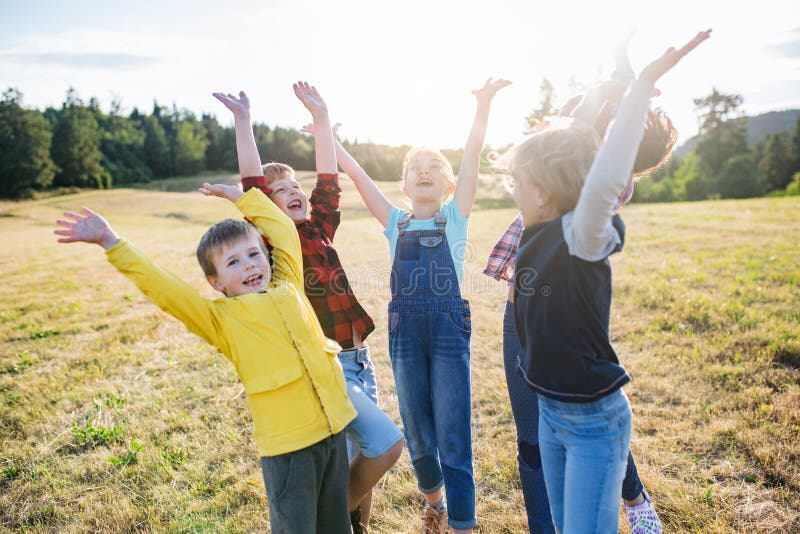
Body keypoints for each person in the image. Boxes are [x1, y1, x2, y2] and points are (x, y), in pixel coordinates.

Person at [55, 180, 356, 533]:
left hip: (334, 430)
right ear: (216, 284)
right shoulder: (221, 320)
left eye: (254, 254)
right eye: (233, 262)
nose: (248, 266)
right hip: (290, 448)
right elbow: (167, 290)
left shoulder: (288, 283)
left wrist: (239, 197)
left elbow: (283, 231)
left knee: (337, 526)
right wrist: (112, 242)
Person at [506, 30, 711, 533]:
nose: (511, 188)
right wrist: (617, 71)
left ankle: (637, 500)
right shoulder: (536, 231)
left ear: (548, 191)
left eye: (519, 181)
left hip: (594, 423)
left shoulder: (582, 233)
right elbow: (572, 140)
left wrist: (641, 85)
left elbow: (601, 176)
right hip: (553, 415)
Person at [212, 83, 404, 534]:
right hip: (329, 363)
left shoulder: (320, 226)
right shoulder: (279, 247)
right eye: (281, 191)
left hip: (361, 358)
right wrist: (244, 121)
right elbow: (253, 187)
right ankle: (329, 521)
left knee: (360, 459)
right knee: (383, 445)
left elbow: (329, 180)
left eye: (296, 186)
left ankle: (357, 526)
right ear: (268, 209)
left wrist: (321, 121)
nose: (293, 192)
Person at [324, 78, 510, 533]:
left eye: (433, 167)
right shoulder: (394, 221)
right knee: (418, 433)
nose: (424, 171)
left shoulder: (454, 217)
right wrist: (330, 139)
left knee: (452, 432)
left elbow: (471, 161)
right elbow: (358, 177)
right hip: (405, 332)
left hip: (447, 330)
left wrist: (482, 106)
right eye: (415, 167)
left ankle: (463, 523)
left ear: (447, 185)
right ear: (405, 186)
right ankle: (435, 503)